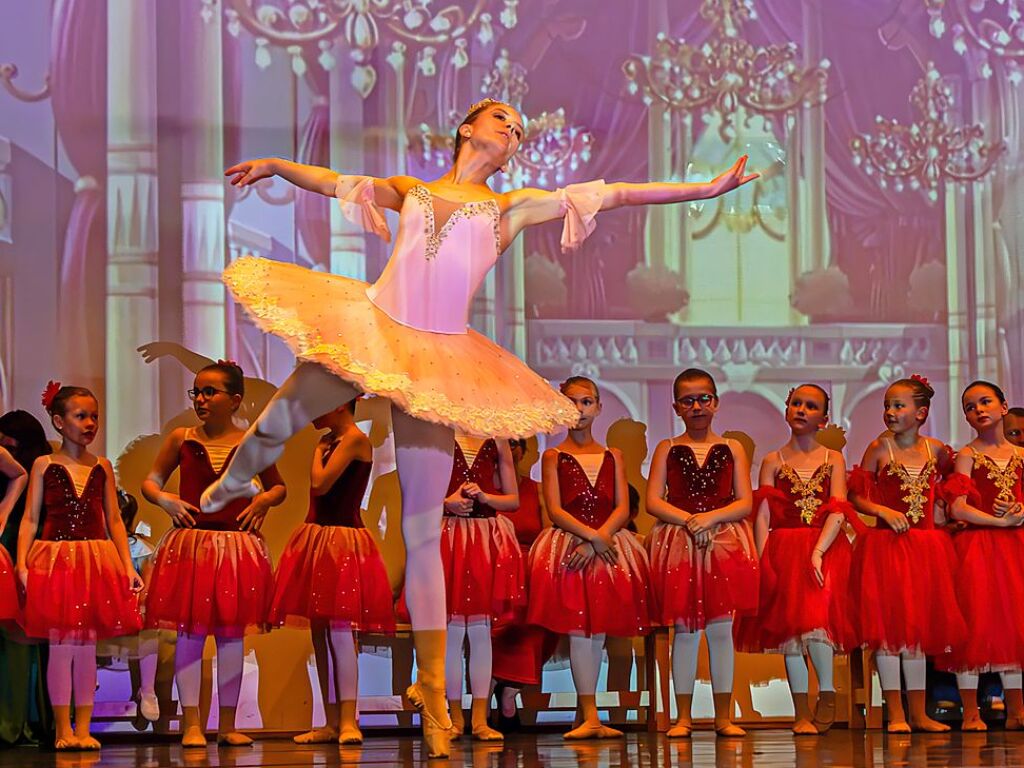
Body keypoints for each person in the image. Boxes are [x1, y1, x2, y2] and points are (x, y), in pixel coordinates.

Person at [202, 97, 755, 758]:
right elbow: (335, 180)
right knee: (279, 420)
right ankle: (230, 483)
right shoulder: (412, 189)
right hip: (373, 326)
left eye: (520, 129)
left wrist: (706, 188)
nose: (513, 131)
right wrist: (274, 165)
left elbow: (615, 194)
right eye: (502, 120)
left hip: (439, 360)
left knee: (421, 527)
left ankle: (432, 692)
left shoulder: (510, 205)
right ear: (466, 128)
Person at [141, 361, 287, 747]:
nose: (201, 400)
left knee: (230, 637)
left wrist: (265, 502)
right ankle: (191, 724)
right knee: (190, 636)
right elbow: (151, 482)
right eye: (197, 392)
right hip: (192, 546)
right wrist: (165, 499)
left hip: (235, 548)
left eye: (210, 392)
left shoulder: (252, 442)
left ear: (235, 399)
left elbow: (278, 487)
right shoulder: (181, 437)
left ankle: (227, 724)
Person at [16, 383, 143, 750]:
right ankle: (61, 728)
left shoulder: (102, 466)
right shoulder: (45, 464)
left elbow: (114, 521)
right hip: (55, 560)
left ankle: (84, 728)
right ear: (58, 421)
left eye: (95, 417)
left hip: (93, 560)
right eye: (81, 416)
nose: (90, 424)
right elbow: (30, 518)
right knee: (61, 644)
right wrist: (22, 562)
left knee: (86, 645)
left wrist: (127, 566)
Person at [526, 376, 650, 740]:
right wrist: (591, 537)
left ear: (598, 408)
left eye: (585, 402)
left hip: (608, 546)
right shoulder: (554, 456)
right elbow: (555, 508)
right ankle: (589, 714)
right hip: (571, 547)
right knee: (580, 628)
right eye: (571, 402)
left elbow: (622, 505)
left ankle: (592, 714)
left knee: (599, 631)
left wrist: (602, 537)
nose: (578, 410)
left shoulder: (614, 456)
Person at [735, 384, 858, 735]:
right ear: (787, 409)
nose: (802, 410)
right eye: (796, 403)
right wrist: (761, 557)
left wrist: (819, 550)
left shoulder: (832, 458)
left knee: (816, 625)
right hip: (784, 548)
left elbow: (838, 508)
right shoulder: (774, 460)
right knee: (789, 633)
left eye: (811, 406)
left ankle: (829, 693)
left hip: (824, 546)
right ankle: (800, 709)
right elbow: (763, 514)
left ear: (824, 418)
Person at [270, 399, 393, 745]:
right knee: (319, 632)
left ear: (338, 404)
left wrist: (317, 451)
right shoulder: (328, 441)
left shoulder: (354, 439)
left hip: (342, 539)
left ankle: (349, 719)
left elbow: (320, 484)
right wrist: (320, 446)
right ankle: (328, 719)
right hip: (317, 536)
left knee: (340, 631)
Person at [847, 376, 964, 732]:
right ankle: (894, 713)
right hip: (886, 550)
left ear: (921, 412)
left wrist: (947, 513)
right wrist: (883, 511)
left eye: (898, 406)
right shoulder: (879, 448)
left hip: (926, 549)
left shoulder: (937, 451)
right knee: (887, 632)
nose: (890, 412)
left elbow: (952, 487)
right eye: (887, 406)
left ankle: (919, 713)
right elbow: (856, 496)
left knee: (915, 633)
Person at [646, 369, 756, 738]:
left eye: (704, 399)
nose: (697, 406)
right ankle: (684, 717)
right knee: (686, 630)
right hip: (679, 543)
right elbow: (652, 501)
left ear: (716, 403)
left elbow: (744, 501)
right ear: (676, 406)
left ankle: (724, 716)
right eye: (688, 400)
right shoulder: (667, 447)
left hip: (724, 542)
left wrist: (709, 519)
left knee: (722, 629)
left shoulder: (732, 447)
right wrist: (691, 521)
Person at [941, 380, 1024, 731]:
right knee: (974, 622)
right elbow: (957, 507)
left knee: (1014, 624)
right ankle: (971, 709)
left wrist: (1019, 511)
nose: (979, 410)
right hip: (977, 547)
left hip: (1014, 548)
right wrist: (996, 520)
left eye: (986, 402)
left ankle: (1017, 709)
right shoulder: (968, 455)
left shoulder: (1021, 455)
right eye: (971, 407)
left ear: (1004, 407)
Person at [442, 433, 522, 741]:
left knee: (479, 629)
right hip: (448, 535)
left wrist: (487, 497)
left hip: (485, 539)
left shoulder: (497, 439)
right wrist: (444, 502)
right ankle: (454, 717)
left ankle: (479, 717)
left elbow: (512, 499)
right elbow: (416, 493)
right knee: (451, 631)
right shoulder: (439, 434)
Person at [0, 410, 52, 745]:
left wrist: (3, 517)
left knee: (23, 638)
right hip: (16, 547)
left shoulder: (41, 467)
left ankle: (25, 720)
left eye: (9, 437)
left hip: (27, 551)